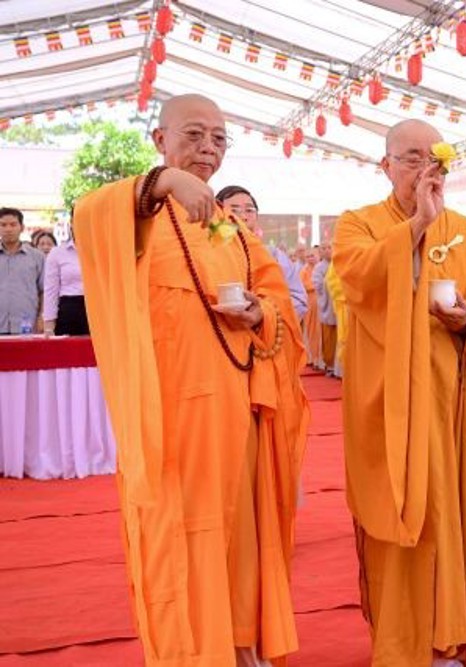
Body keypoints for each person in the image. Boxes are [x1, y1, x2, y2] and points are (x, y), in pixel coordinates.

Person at [73, 94, 309, 666]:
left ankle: (239, 645)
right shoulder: (138, 215)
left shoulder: (236, 231)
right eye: (194, 135)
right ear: (160, 140)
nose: (208, 148)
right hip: (169, 423)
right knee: (178, 537)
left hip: (235, 416)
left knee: (239, 535)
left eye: (219, 139)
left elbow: (280, 305)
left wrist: (259, 313)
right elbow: (89, 215)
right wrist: (164, 183)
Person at [332, 119, 466, 666]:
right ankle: (404, 641)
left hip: (460, 407)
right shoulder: (359, 225)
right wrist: (417, 224)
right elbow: (360, 280)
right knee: (406, 518)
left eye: (431, 160)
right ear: (386, 166)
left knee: (457, 512)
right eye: (410, 158)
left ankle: (454, 639)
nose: (423, 170)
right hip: (393, 409)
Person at [216, 185, 309, 320]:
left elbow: (298, 299)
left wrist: (265, 314)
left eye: (249, 210)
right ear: (217, 216)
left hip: (265, 330)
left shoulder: (273, 255)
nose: (243, 216)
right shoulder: (208, 254)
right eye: (234, 210)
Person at [0, 207, 45, 334]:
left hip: (27, 325)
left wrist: (41, 316)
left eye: (13, 224)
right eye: (3, 225)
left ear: (22, 227)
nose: (8, 229)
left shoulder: (37, 257)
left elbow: (44, 291)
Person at [42, 227, 88, 335]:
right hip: (69, 308)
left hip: (99, 307)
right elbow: (51, 291)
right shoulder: (57, 253)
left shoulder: (104, 250)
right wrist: (49, 324)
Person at [312, 242, 338, 374]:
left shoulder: (339, 263)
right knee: (328, 337)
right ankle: (330, 364)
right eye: (324, 248)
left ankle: (340, 366)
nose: (327, 250)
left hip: (340, 304)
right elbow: (317, 285)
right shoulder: (318, 268)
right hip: (327, 305)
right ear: (320, 252)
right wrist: (331, 281)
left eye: (329, 248)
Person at [299, 247, 324, 369]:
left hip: (321, 302)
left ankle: (321, 359)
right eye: (308, 256)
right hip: (309, 302)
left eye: (312, 256)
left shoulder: (321, 268)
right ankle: (311, 358)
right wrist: (314, 286)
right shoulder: (304, 270)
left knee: (320, 330)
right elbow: (303, 285)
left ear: (318, 255)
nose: (310, 258)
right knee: (310, 329)